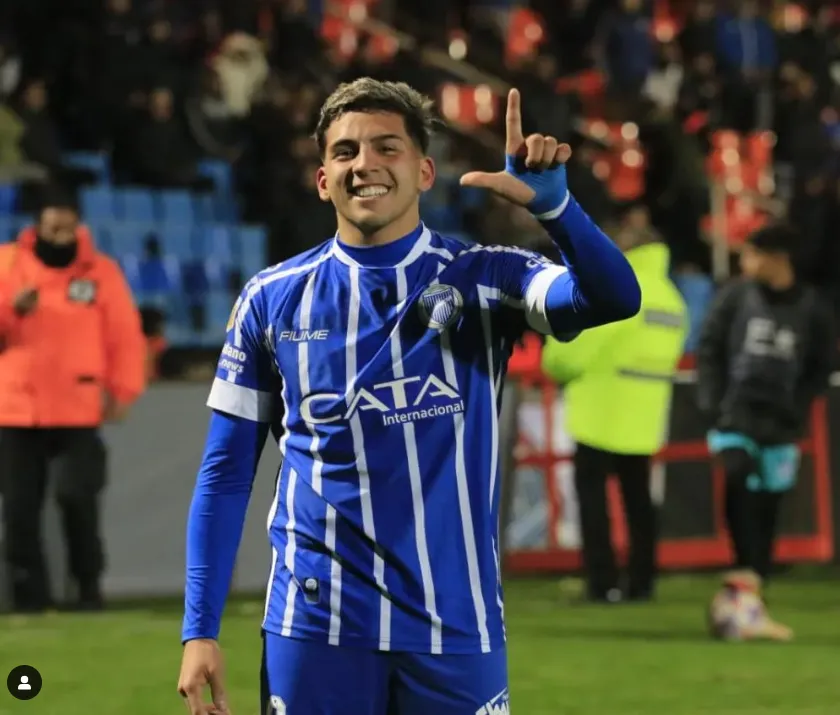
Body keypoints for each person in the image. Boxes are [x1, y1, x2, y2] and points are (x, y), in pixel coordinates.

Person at [177, 78, 642, 715]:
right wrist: (199, 629)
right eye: (344, 152)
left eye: (385, 148)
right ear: (322, 180)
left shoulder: (486, 277)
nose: (364, 163)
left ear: (425, 172)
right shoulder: (271, 298)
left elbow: (615, 298)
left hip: (456, 625)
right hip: (318, 628)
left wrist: (559, 213)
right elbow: (226, 473)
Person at [0, 195, 146, 612]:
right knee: (20, 509)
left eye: (68, 230)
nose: (61, 238)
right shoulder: (7, 266)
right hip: (15, 409)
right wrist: (10, 310)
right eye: (53, 230)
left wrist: (123, 389)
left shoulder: (100, 273)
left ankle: (87, 589)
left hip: (77, 408)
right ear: (36, 228)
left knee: (77, 499)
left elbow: (124, 337)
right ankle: (29, 598)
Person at [541, 205, 688, 603]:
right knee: (640, 501)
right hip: (646, 414)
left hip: (600, 409)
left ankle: (601, 581)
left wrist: (553, 360)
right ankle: (642, 582)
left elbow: (573, 352)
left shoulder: (617, 285)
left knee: (593, 501)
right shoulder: (671, 296)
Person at [697, 224, 833, 593]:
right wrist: (713, 402)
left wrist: (799, 405)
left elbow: (821, 366)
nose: (746, 262)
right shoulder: (734, 297)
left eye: (752, 254)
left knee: (770, 496)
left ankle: (757, 569)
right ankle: (744, 566)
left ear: (777, 259)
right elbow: (709, 348)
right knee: (738, 476)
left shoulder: (812, 308)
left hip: (781, 420)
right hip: (735, 414)